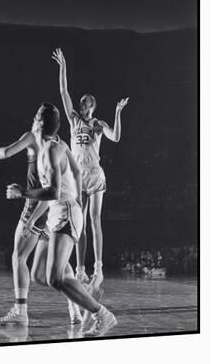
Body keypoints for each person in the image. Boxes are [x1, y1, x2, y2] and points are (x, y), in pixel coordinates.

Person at [6, 102, 117, 337]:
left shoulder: (50, 151)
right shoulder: (57, 146)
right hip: (56, 213)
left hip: (65, 212)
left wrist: (23, 193)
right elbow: (75, 174)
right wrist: (32, 220)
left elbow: (54, 193)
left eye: (35, 117)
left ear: (39, 124)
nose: (32, 120)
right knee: (39, 275)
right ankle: (86, 290)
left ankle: (102, 314)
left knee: (55, 278)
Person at [0, 128, 82, 326]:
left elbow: (7, 152)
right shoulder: (61, 143)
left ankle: (21, 311)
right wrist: (77, 201)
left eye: (37, 117)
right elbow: (76, 172)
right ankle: (75, 307)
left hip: (37, 203)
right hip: (54, 207)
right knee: (61, 263)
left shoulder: (33, 137)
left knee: (18, 257)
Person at [52, 48, 129, 287]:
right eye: (81, 103)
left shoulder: (98, 125)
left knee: (95, 220)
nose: (81, 106)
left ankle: (98, 268)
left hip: (95, 175)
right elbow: (64, 91)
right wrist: (63, 67)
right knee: (80, 222)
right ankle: (81, 269)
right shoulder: (74, 119)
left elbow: (115, 137)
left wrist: (117, 113)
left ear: (91, 107)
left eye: (85, 104)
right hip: (78, 177)